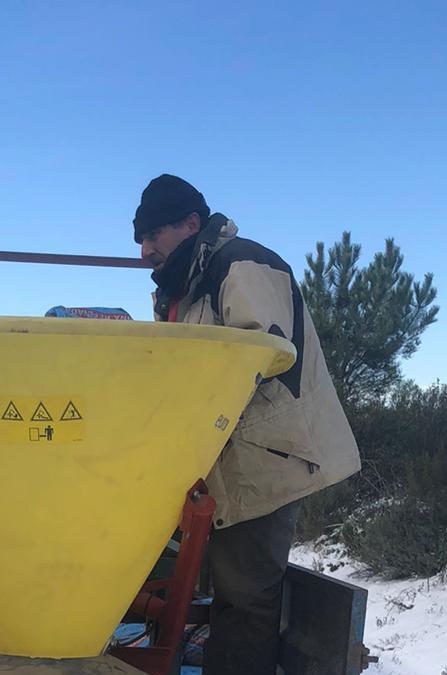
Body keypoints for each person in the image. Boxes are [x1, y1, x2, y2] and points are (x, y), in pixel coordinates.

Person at [133, 174, 361, 675]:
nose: (146, 250)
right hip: (221, 457)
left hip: (264, 457)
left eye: (154, 235)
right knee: (227, 591)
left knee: (246, 598)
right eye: (141, 240)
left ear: (191, 223)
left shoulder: (241, 266)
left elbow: (256, 360)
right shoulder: (184, 287)